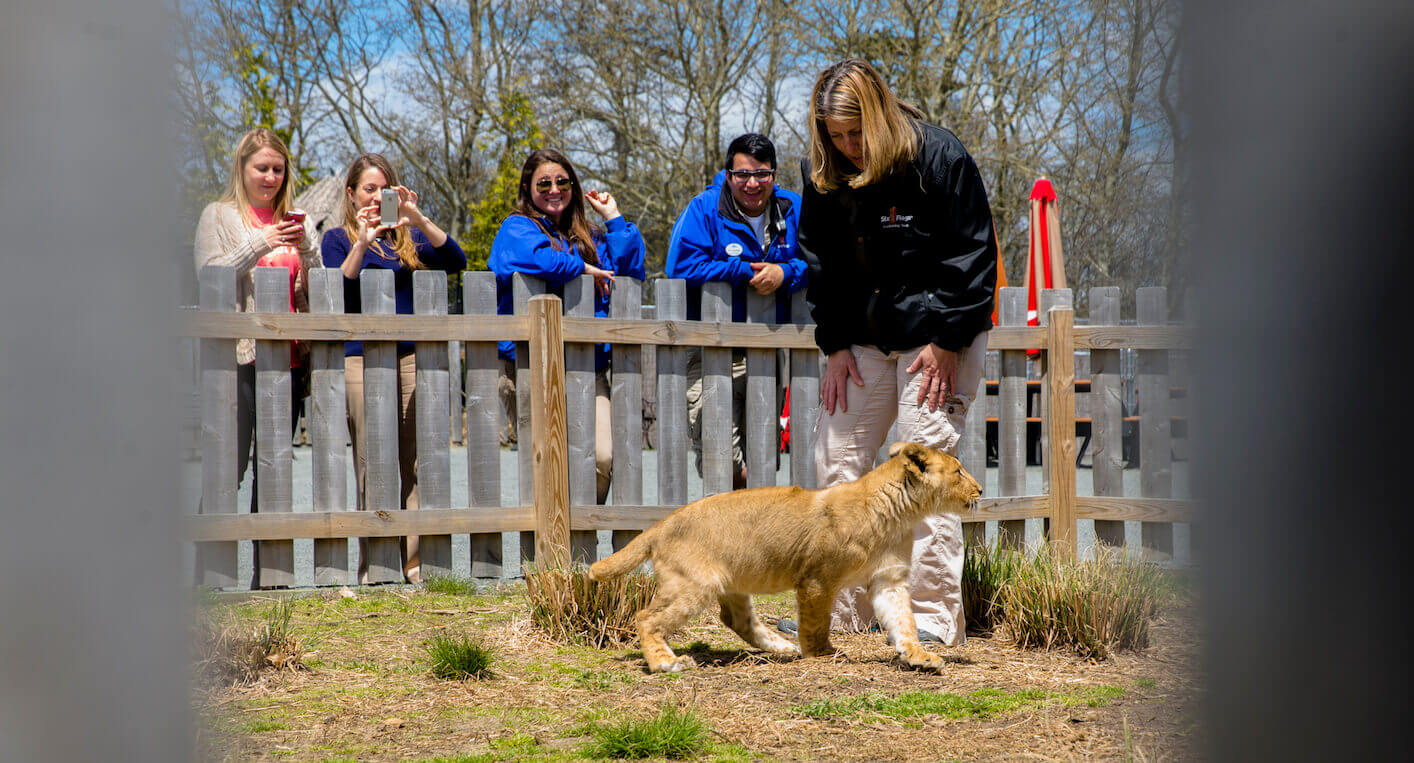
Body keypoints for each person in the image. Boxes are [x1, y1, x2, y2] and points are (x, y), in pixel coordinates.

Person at [780, 59, 997, 645]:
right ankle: (839, 611)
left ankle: (927, 623)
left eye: (857, 133)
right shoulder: (822, 174)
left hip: (941, 339)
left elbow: (973, 256)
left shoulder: (940, 157)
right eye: (836, 135)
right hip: (864, 342)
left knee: (923, 477)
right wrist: (835, 346)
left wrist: (949, 339)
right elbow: (821, 264)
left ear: (880, 114)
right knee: (836, 463)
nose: (849, 147)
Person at [320, 153, 466, 585]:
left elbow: (456, 261)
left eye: (384, 190)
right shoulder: (337, 238)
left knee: (413, 459)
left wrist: (414, 216)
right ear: (350, 193)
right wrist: (363, 242)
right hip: (360, 356)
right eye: (368, 189)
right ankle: (374, 563)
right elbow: (336, 291)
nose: (375, 197)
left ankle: (413, 561)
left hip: (408, 358)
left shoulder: (409, 240)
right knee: (371, 459)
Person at [193, 127, 320, 589]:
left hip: (286, 363)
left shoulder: (294, 219)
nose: (269, 177)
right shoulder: (218, 215)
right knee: (229, 468)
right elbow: (210, 276)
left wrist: (306, 248)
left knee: (275, 467)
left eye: (277, 169)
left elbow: (315, 291)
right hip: (236, 362)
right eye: (261, 168)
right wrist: (262, 241)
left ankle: (271, 580)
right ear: (242, 169)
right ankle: (211, 578)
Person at [489, 148, 646, 504]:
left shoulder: (590, 235)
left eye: (562, 181)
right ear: (528, 187)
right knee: (548, 460)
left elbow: (631, 272)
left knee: (603, 456)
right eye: (543, 183)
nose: (554, 189)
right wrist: (581, 268)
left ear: (573, 186)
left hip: (588, 366)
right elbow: (531, 257)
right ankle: (559, 555)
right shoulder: (517, 227)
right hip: (528, 365)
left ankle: (579, 540)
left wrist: (615, 220)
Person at [666, 133, 806, 490]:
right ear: (728, 174)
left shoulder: (794, 208)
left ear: (774, 175)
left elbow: (822, 263)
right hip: (712, 350)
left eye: (762, 174)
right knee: (721, 457)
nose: (752, 183)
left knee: (762, 454)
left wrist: (786, 272)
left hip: (767, 349)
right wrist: (746, 271)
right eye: (743, 174)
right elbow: (680, 267)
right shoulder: (704, 208)